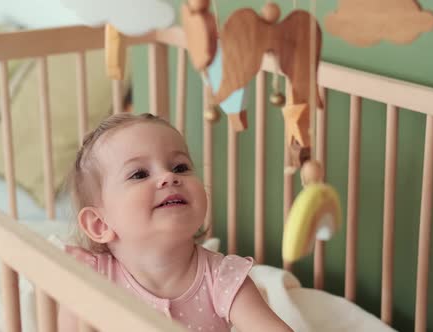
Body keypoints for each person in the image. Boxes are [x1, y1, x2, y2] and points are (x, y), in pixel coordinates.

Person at [58, 112, 292, 332]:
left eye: (180, 167)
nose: (169, 177)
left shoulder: (222, 278)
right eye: (139, 174)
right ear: (100, 224)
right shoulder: (90, 278)